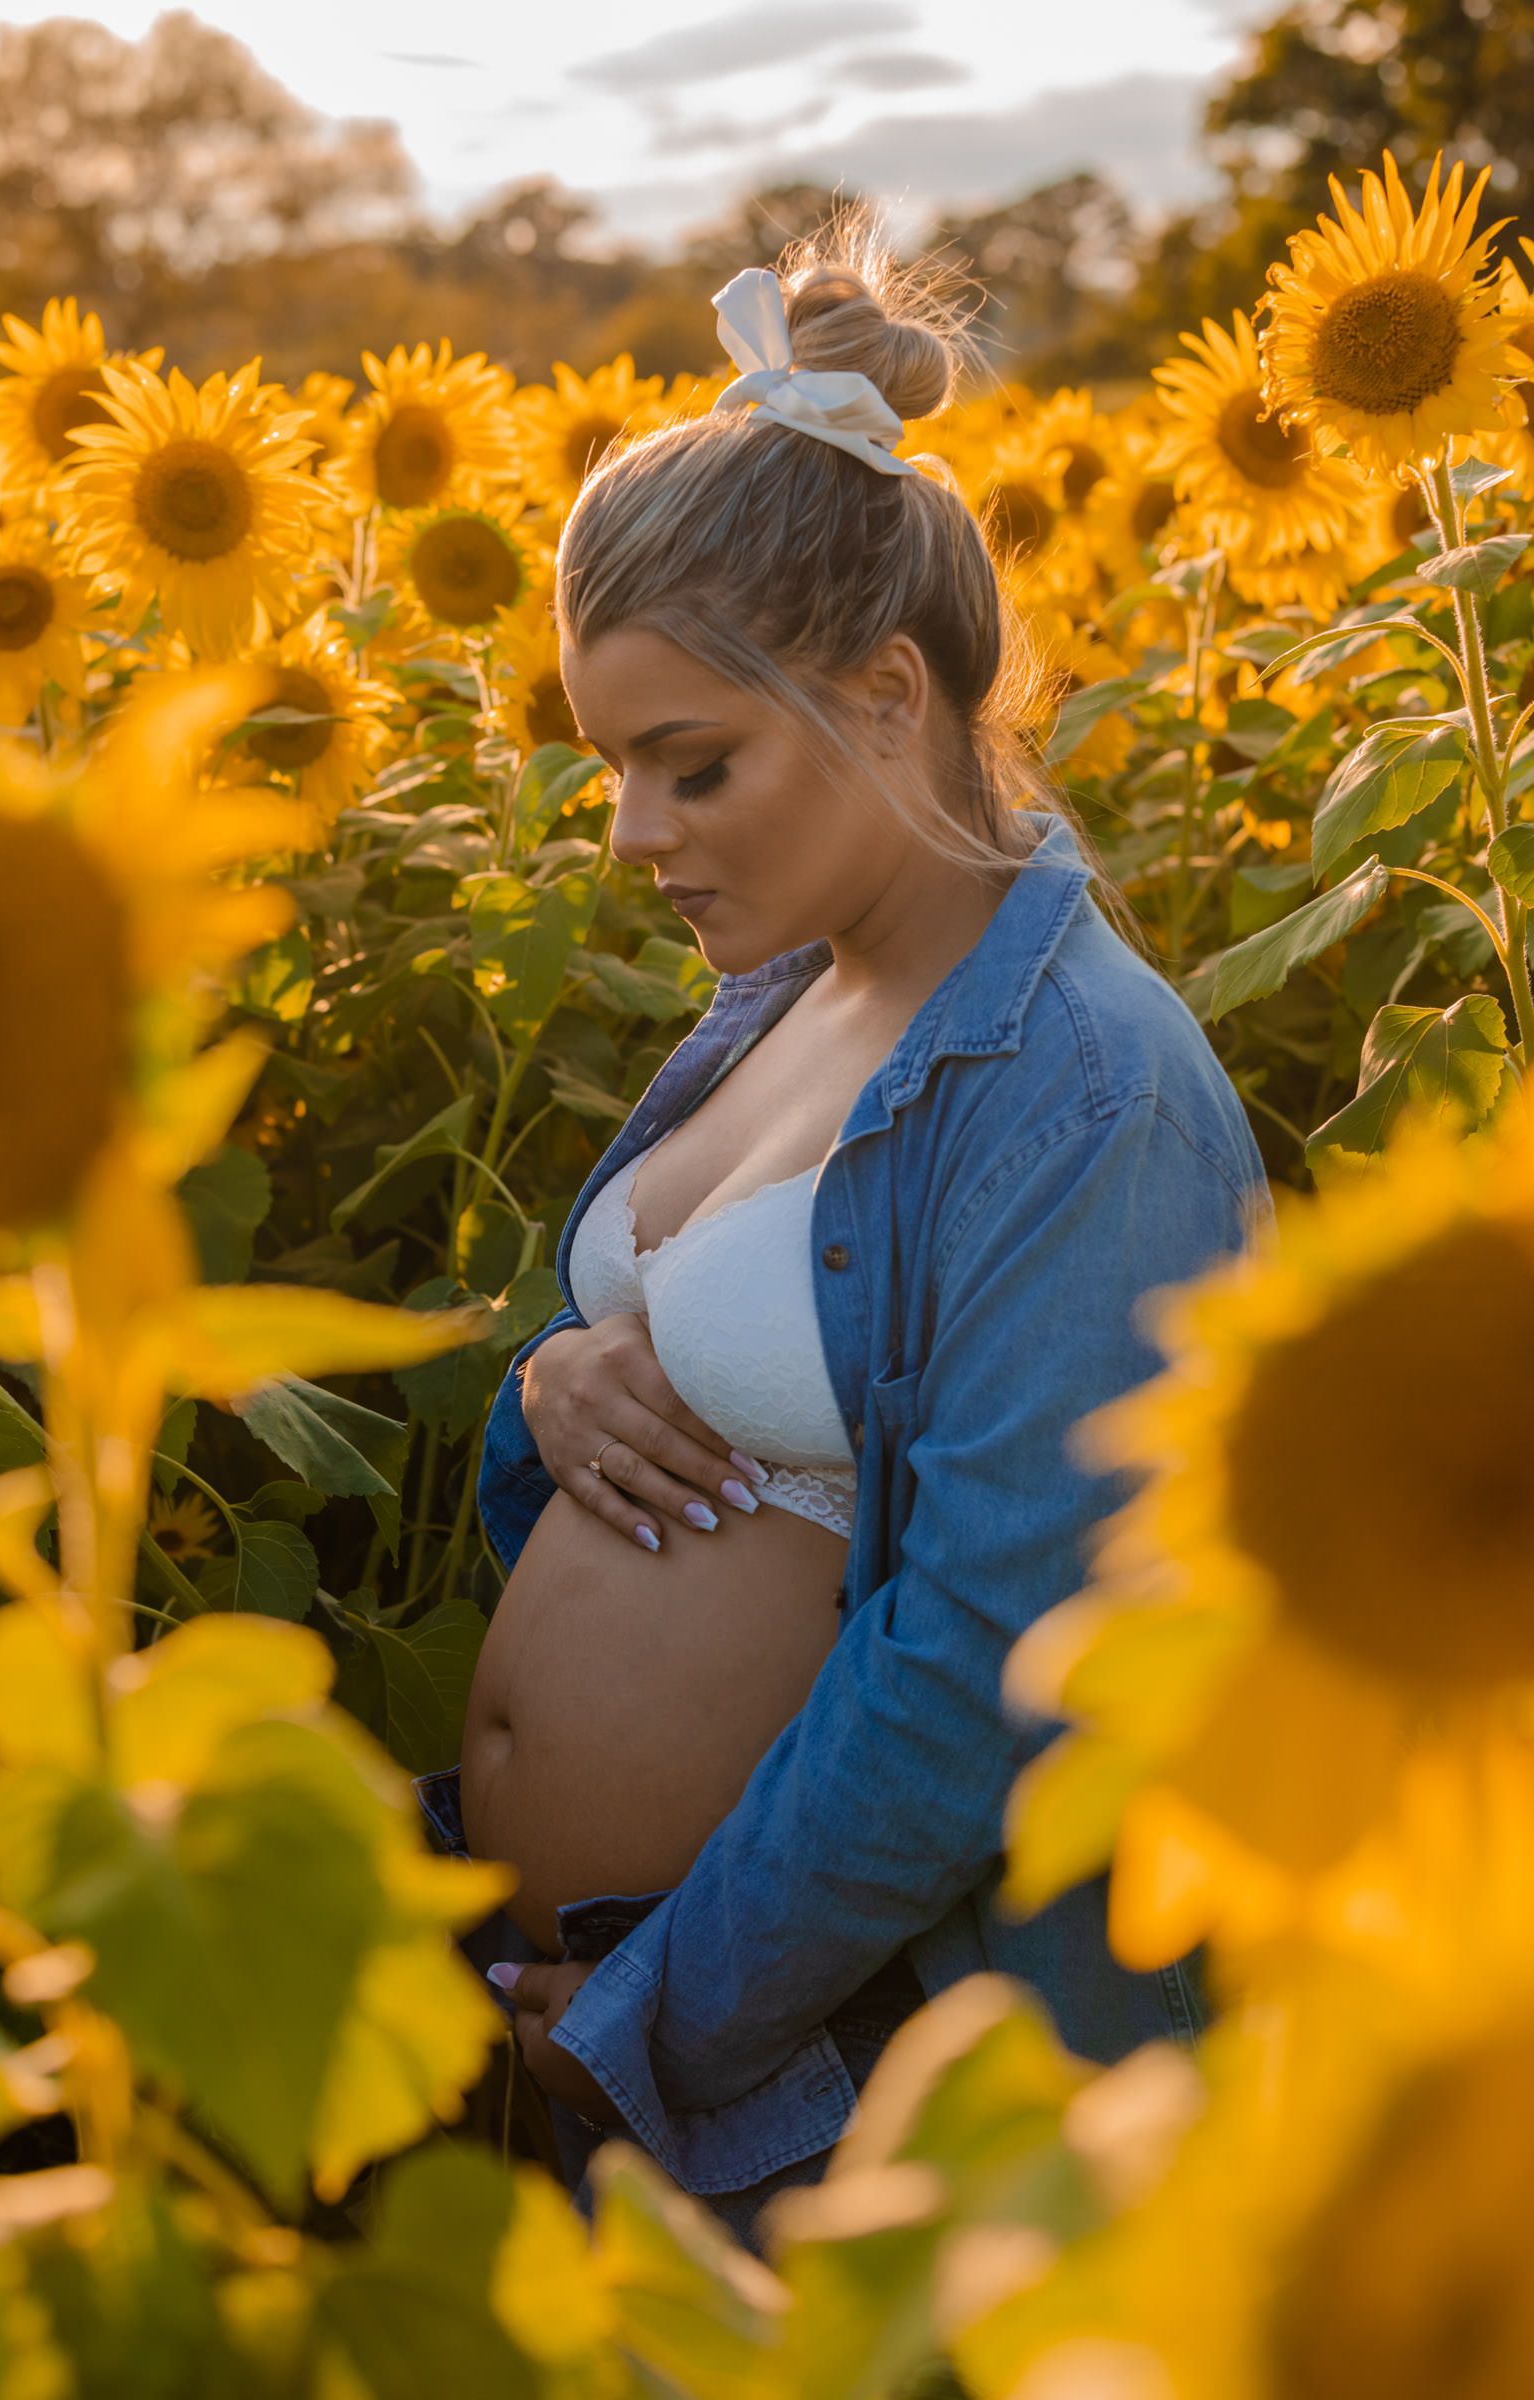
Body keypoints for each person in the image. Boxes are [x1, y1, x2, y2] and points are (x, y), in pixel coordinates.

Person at [414, 204, 1273, 2256]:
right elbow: (671, 1390)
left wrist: (640, 2020)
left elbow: (990, 1662)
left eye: (683, 764)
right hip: (619, 2032)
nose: (625, 835)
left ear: (885, 694)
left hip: (844, 2099)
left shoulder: (1085, 1093)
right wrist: (555, 1368)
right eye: (612, 764)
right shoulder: (782, 992)